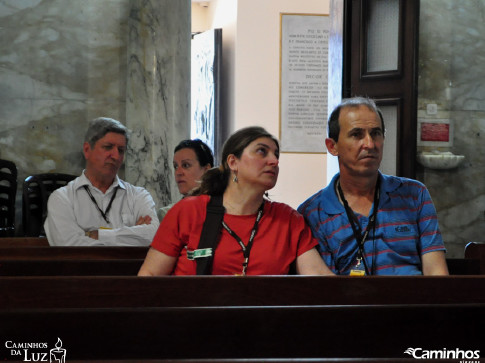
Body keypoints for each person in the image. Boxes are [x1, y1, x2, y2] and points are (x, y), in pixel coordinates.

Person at [139, 126, 334, 276]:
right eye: (261, 152)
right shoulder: (190, 211)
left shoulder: (288, 219)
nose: (274, 161)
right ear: (233, 162)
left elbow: (318, 279)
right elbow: (149, 276)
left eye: (276, 154)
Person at [298, 97, 449, 276]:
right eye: (357, 135)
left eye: (375, 133)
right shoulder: (313, 212)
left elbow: (436, 273)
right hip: (352, 302)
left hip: (411, 302)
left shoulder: (415, 195)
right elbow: (327, 290)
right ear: (332, 146)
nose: (369, 144)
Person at [45, 117, 159, 246]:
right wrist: (133, 236)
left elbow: (154, 235)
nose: (116, 156)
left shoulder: (138, 196)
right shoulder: (62, 198)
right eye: (108, 147)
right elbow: (70, 246)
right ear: (87, 150)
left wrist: (98, 235)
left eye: (121, 150)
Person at [158, 139, 214, 220]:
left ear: (206, 170)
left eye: (186, 165)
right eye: (175, 166)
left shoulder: (227, 208)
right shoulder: (167, 214)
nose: (178, 172)